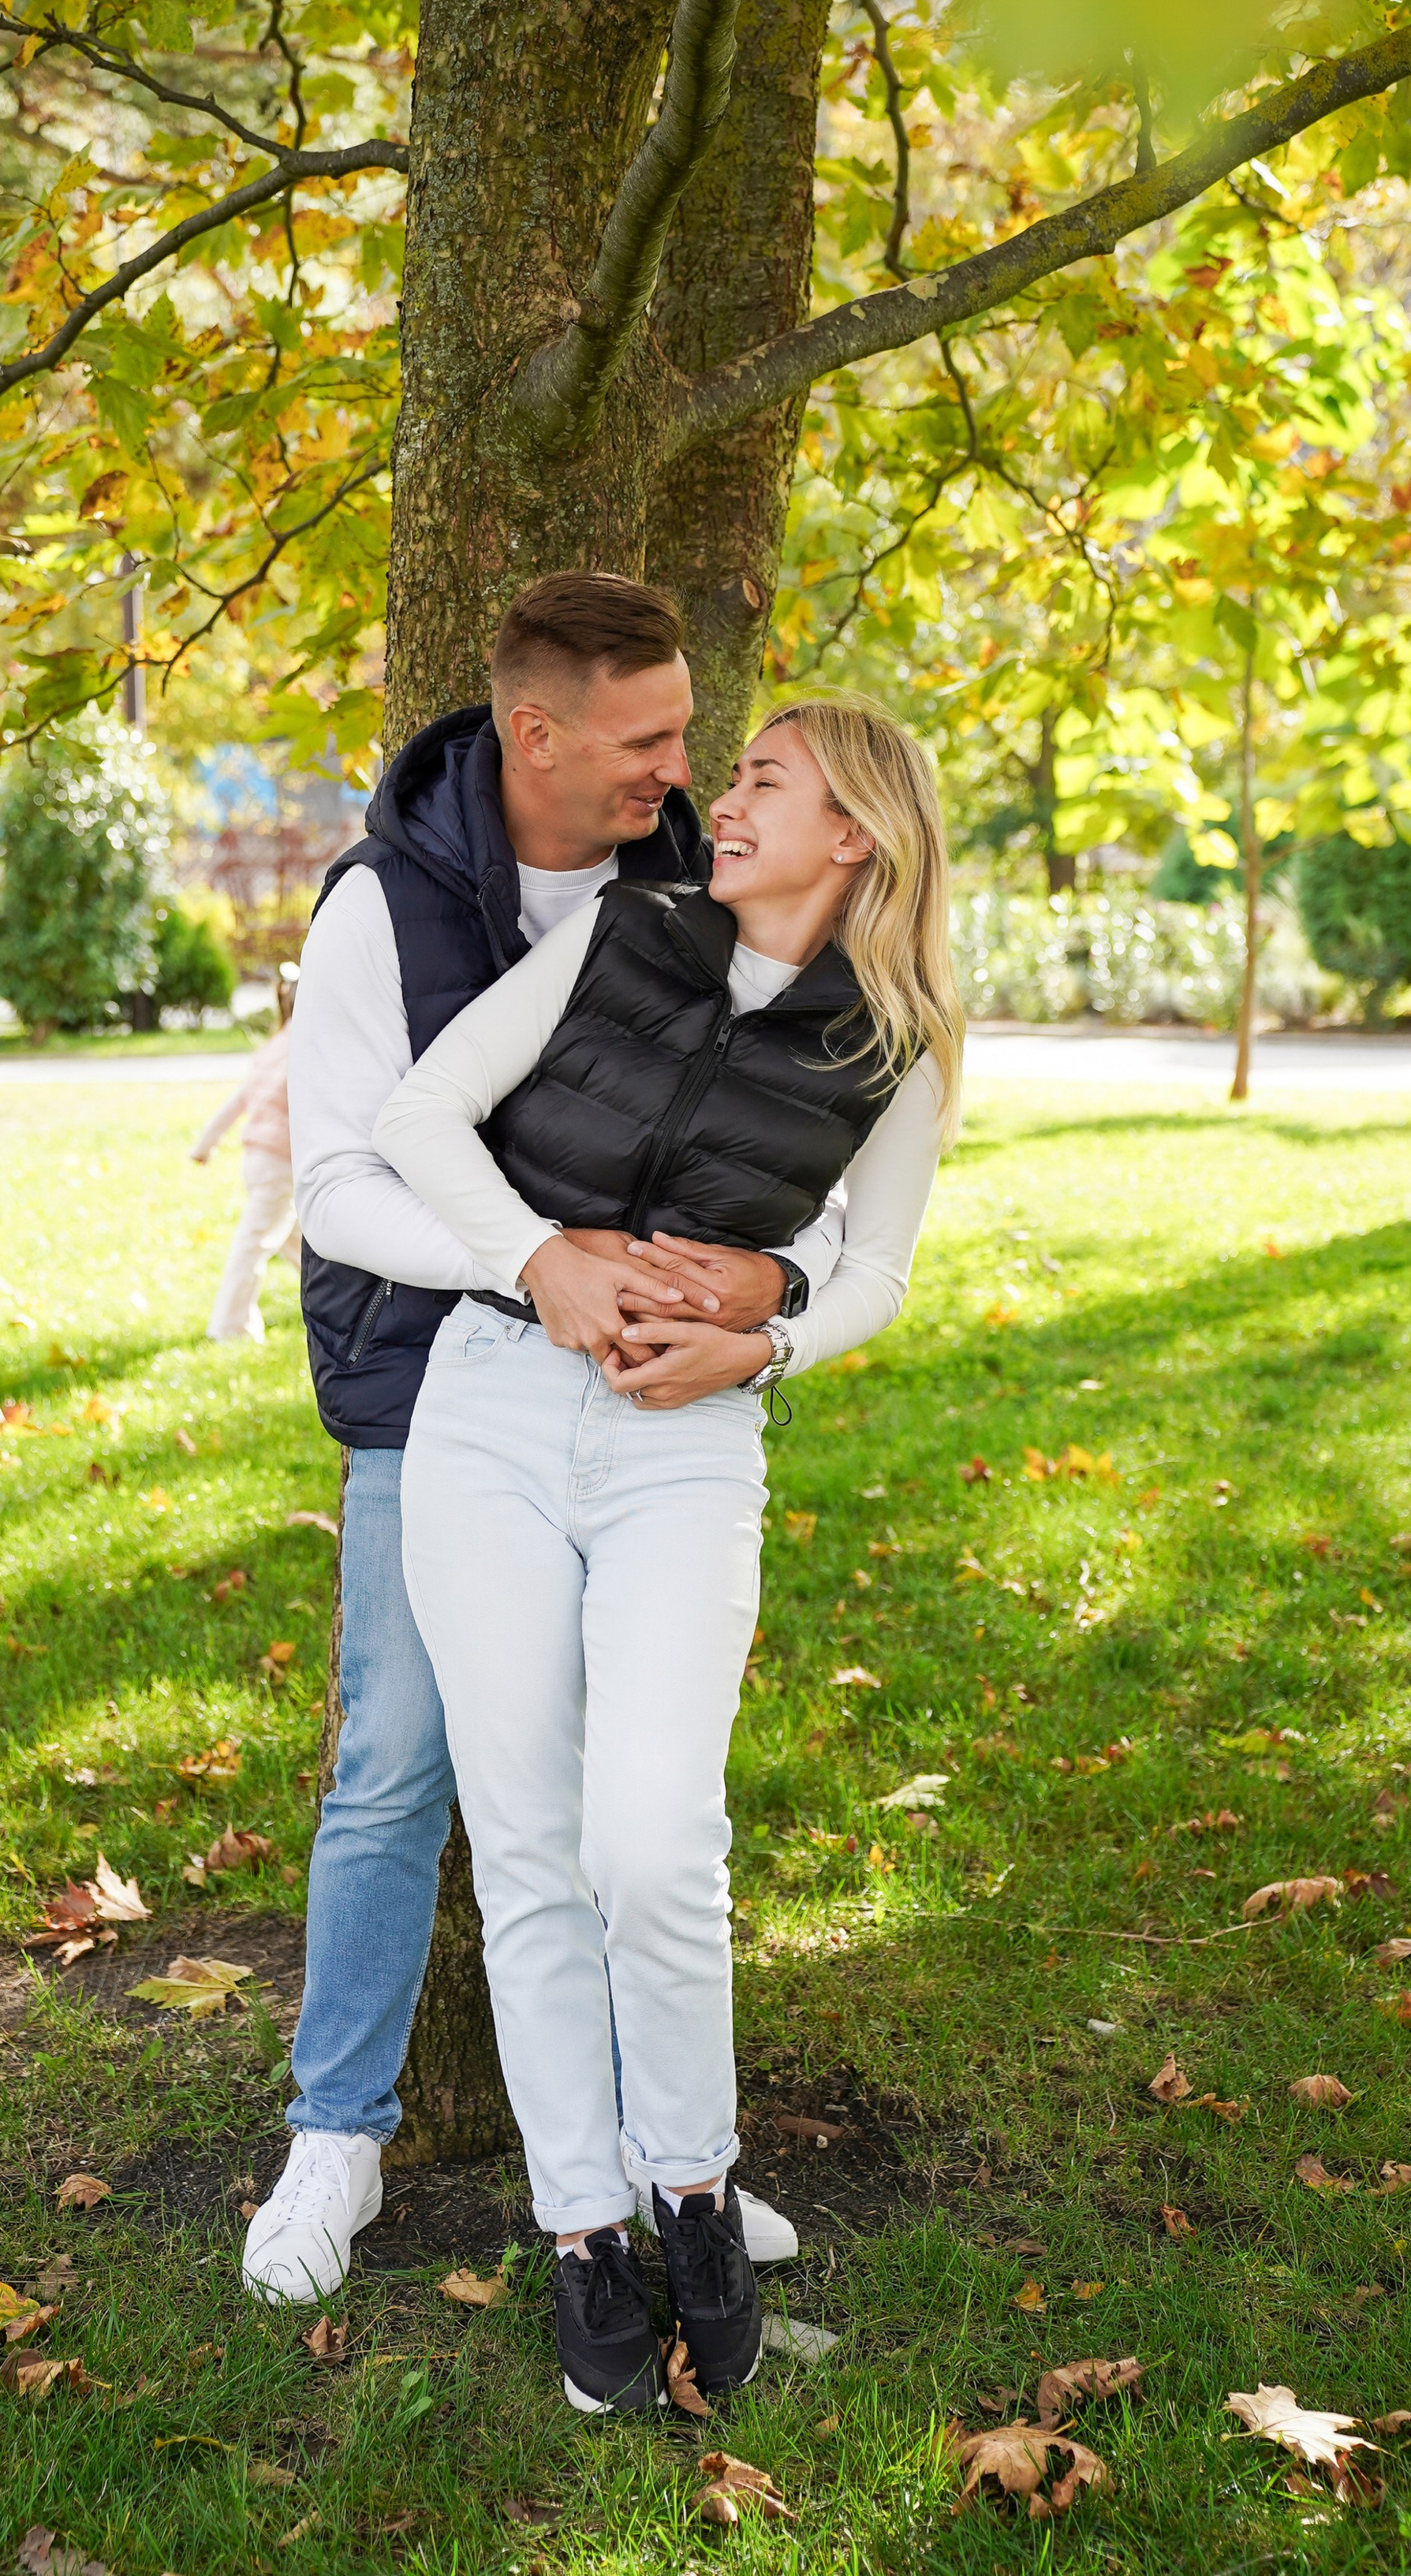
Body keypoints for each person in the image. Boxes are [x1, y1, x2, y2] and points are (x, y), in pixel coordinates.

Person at [241, 575, 839, 2309]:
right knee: (401, 1761)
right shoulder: (388, 908)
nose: (683, 768)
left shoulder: (685, 879)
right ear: (537, 732)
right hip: (425, 1368)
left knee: (627, 1799)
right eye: (650, 739)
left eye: (690, 735)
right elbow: (342, 1180)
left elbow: (784, 1113)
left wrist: (758, 1295)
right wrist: (530, 1265)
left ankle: (673, 2169)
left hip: (636, 1397)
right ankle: (337, 2131)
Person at [369, 696, 963, 2414]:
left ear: (851, 831)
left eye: (762, 780)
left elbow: (874, 1274)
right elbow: (420, 1122)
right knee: (534, 1846)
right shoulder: (622, 938)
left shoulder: (896, 1046)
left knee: (651, 1835)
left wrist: (760, 1336)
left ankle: (690, 2193)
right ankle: (579, 2232)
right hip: (486, 1408)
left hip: (681, 1452)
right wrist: (541, 1260)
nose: (721, 801)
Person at [192, 966, 299, 1344]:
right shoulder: (308, 1048)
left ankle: (331, 1301)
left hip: (257, 1159)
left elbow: (239, 1100)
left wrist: (205, 1144)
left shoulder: (274, 1046)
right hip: (283, 1162)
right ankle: (230, 1325)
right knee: (254, 1244)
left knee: (298, 1242)